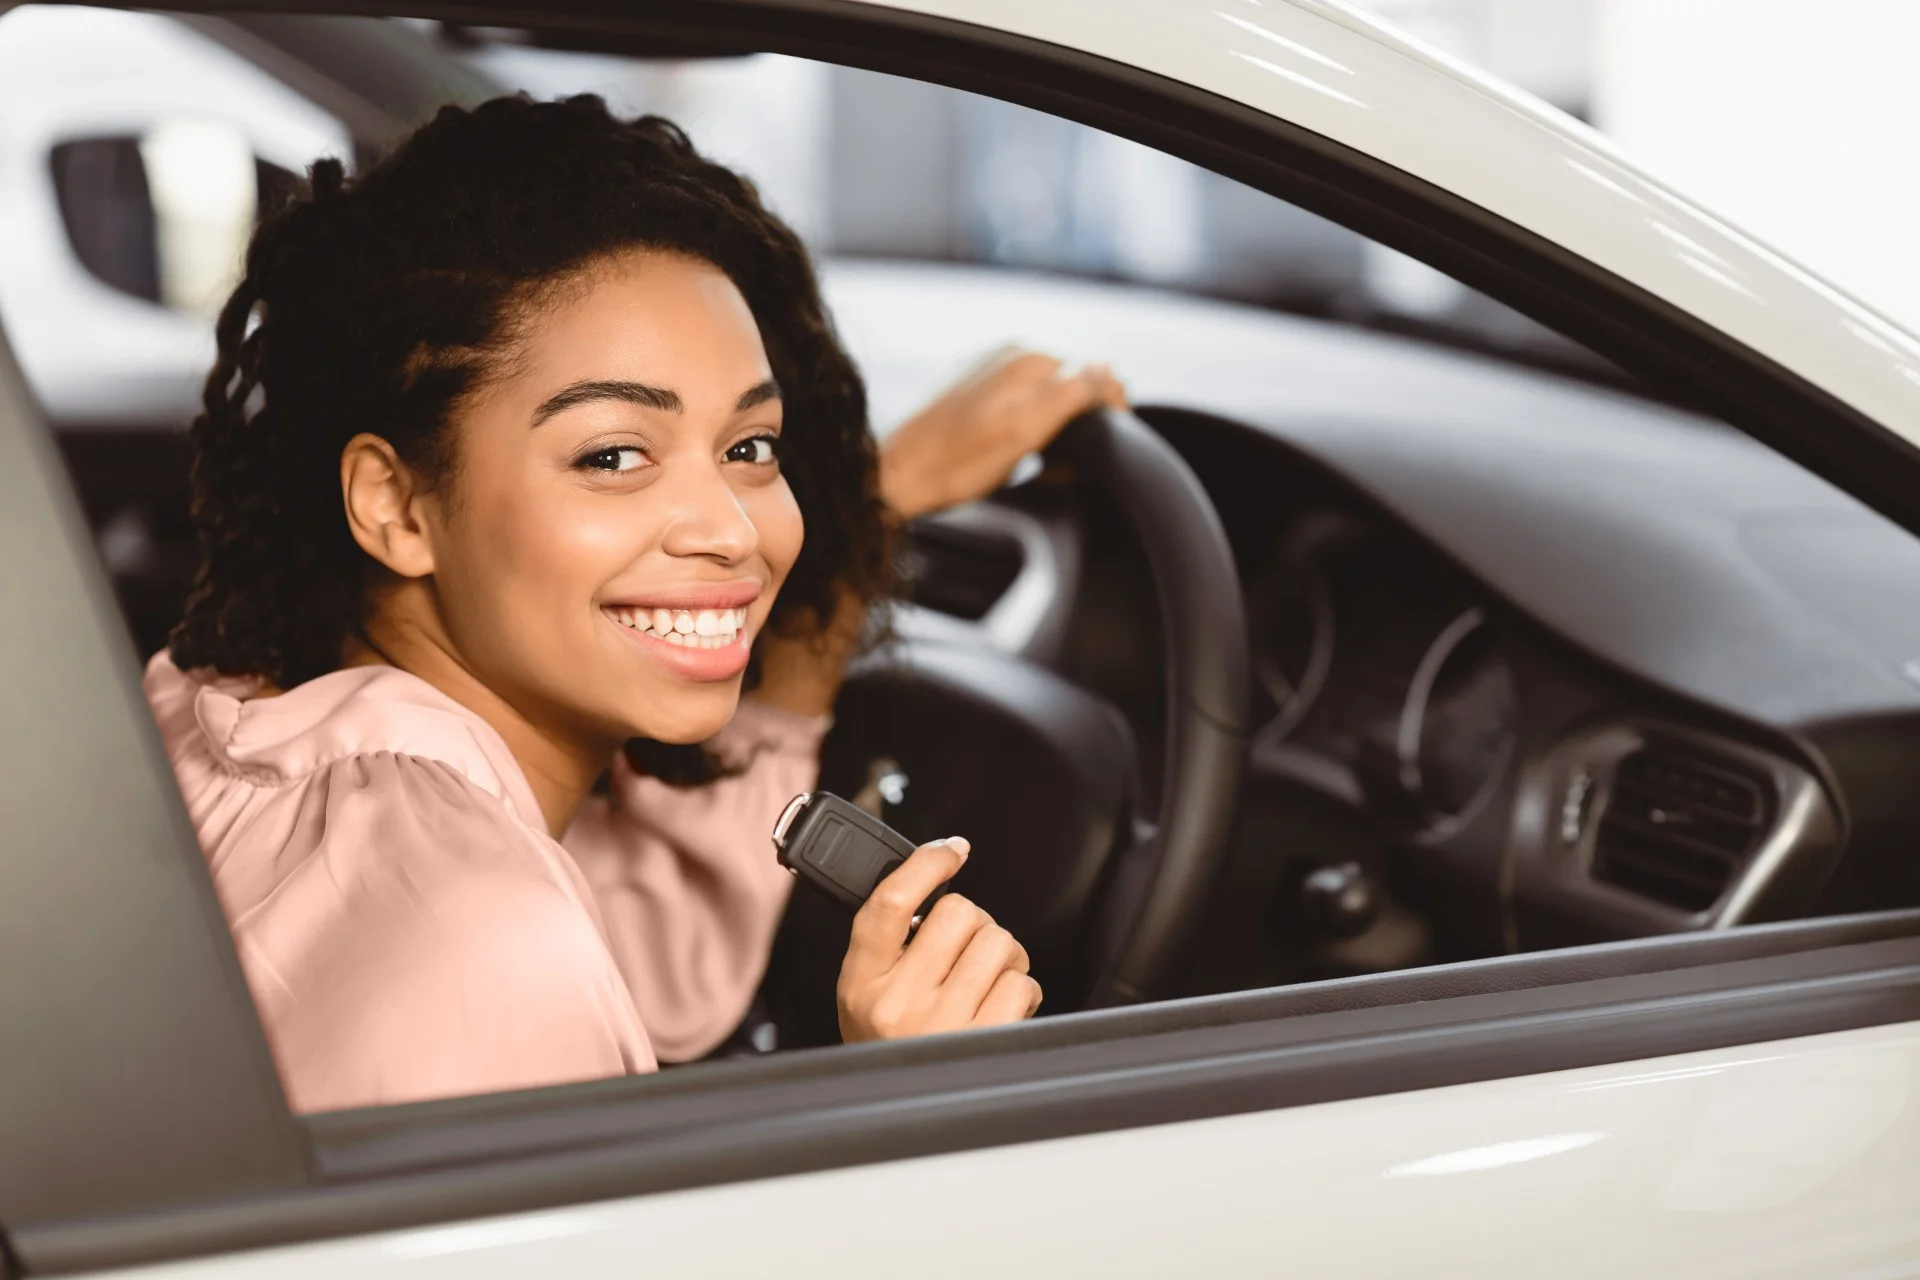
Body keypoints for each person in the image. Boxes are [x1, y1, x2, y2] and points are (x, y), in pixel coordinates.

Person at [148, 94, 1128, 1114]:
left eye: (751, 448)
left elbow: (662, 955)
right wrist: (898, 1119)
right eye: (613, 454)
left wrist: (867, 505)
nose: (733, 531)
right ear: (396, 505)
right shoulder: (494, 949)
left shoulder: (212, 711)